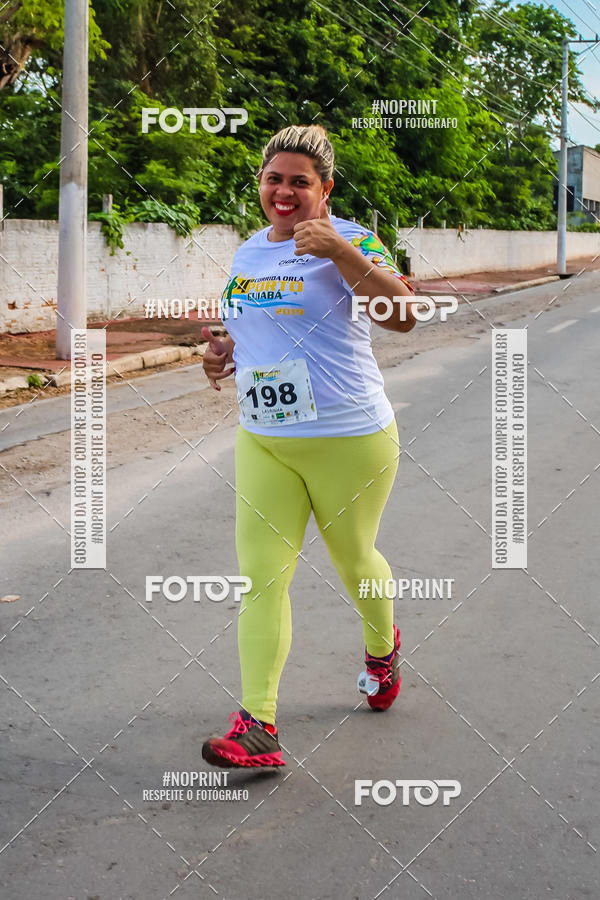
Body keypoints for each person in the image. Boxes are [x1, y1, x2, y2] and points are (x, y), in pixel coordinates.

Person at [201, 124, 417, 769]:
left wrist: (343, 257)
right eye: (275, 179)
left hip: (350, 436)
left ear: (325, 189)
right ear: (261, 185)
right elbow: (250, 330)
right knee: (261, 579)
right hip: (265, 438)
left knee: (354, 559)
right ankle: (257, 725)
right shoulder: (247, 253)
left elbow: (405, 315)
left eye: (301, 181)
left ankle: (383, 653)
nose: (285, 191)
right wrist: (225, 353)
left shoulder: (351, 239)